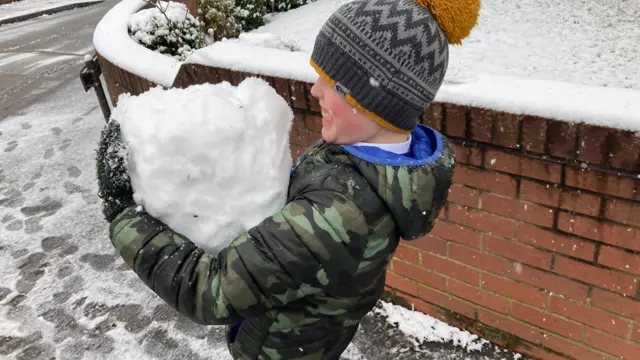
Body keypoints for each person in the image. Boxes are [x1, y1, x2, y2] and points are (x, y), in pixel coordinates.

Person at [105, 0, 479, 358]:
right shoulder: (374, 163)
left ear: (371, 101)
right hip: (310, 336)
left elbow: (211, 290)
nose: (315, 90)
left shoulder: (339, 214)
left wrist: (124, 217)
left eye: (330, 81)